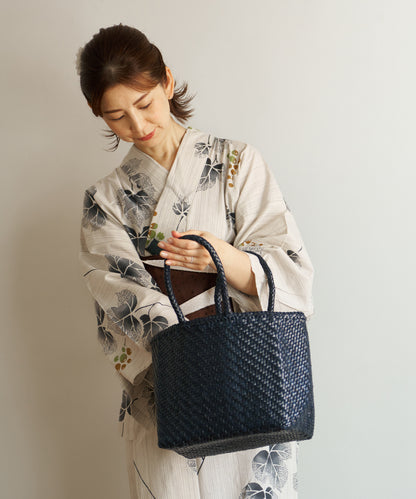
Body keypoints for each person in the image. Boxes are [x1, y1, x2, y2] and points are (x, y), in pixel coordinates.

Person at [77, 23, 314, 499]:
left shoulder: (238, 162)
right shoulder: (105, 199)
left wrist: (224, 259)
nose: (138, 126)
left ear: (166, 81)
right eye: (117, 116)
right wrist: (195, 361)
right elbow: (117, 298)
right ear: (98, 113)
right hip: (172, 393)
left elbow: (292, 270)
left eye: (144, 104)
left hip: (253, 382)